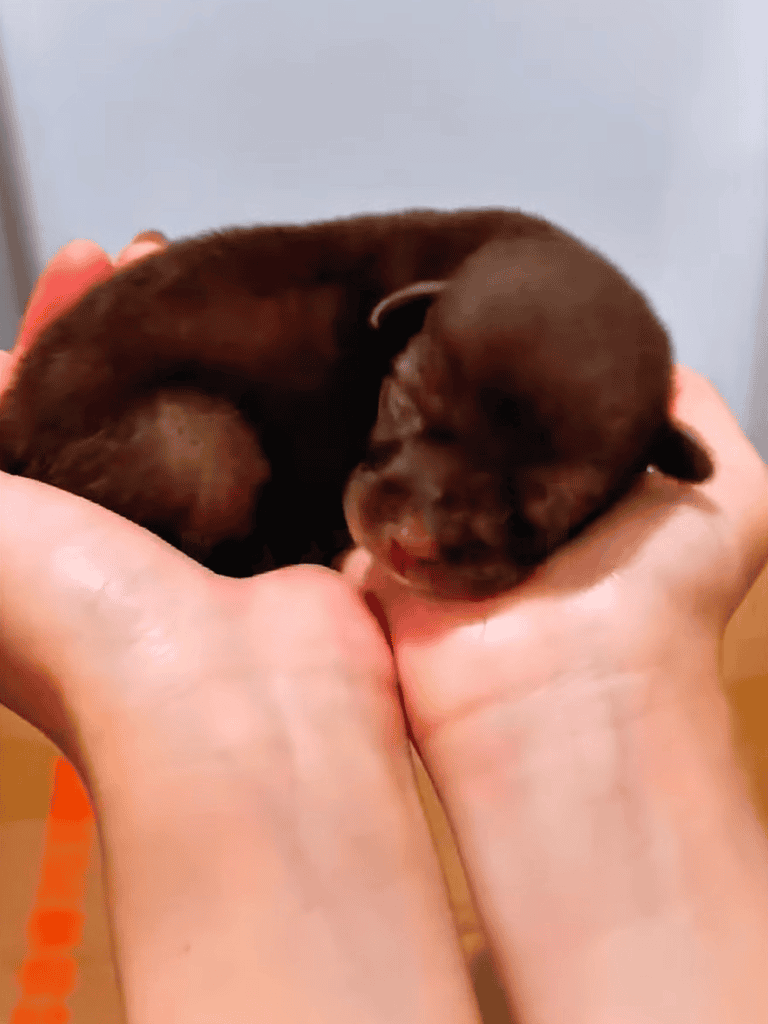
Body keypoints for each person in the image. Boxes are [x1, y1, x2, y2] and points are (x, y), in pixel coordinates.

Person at [1, 234, 767, 1024]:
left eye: (521, 508)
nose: (418, 534)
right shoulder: (442, 307)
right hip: (146, 415)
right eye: (410, 411)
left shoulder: (478, 324)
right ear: (407, 325)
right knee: (197, 460)